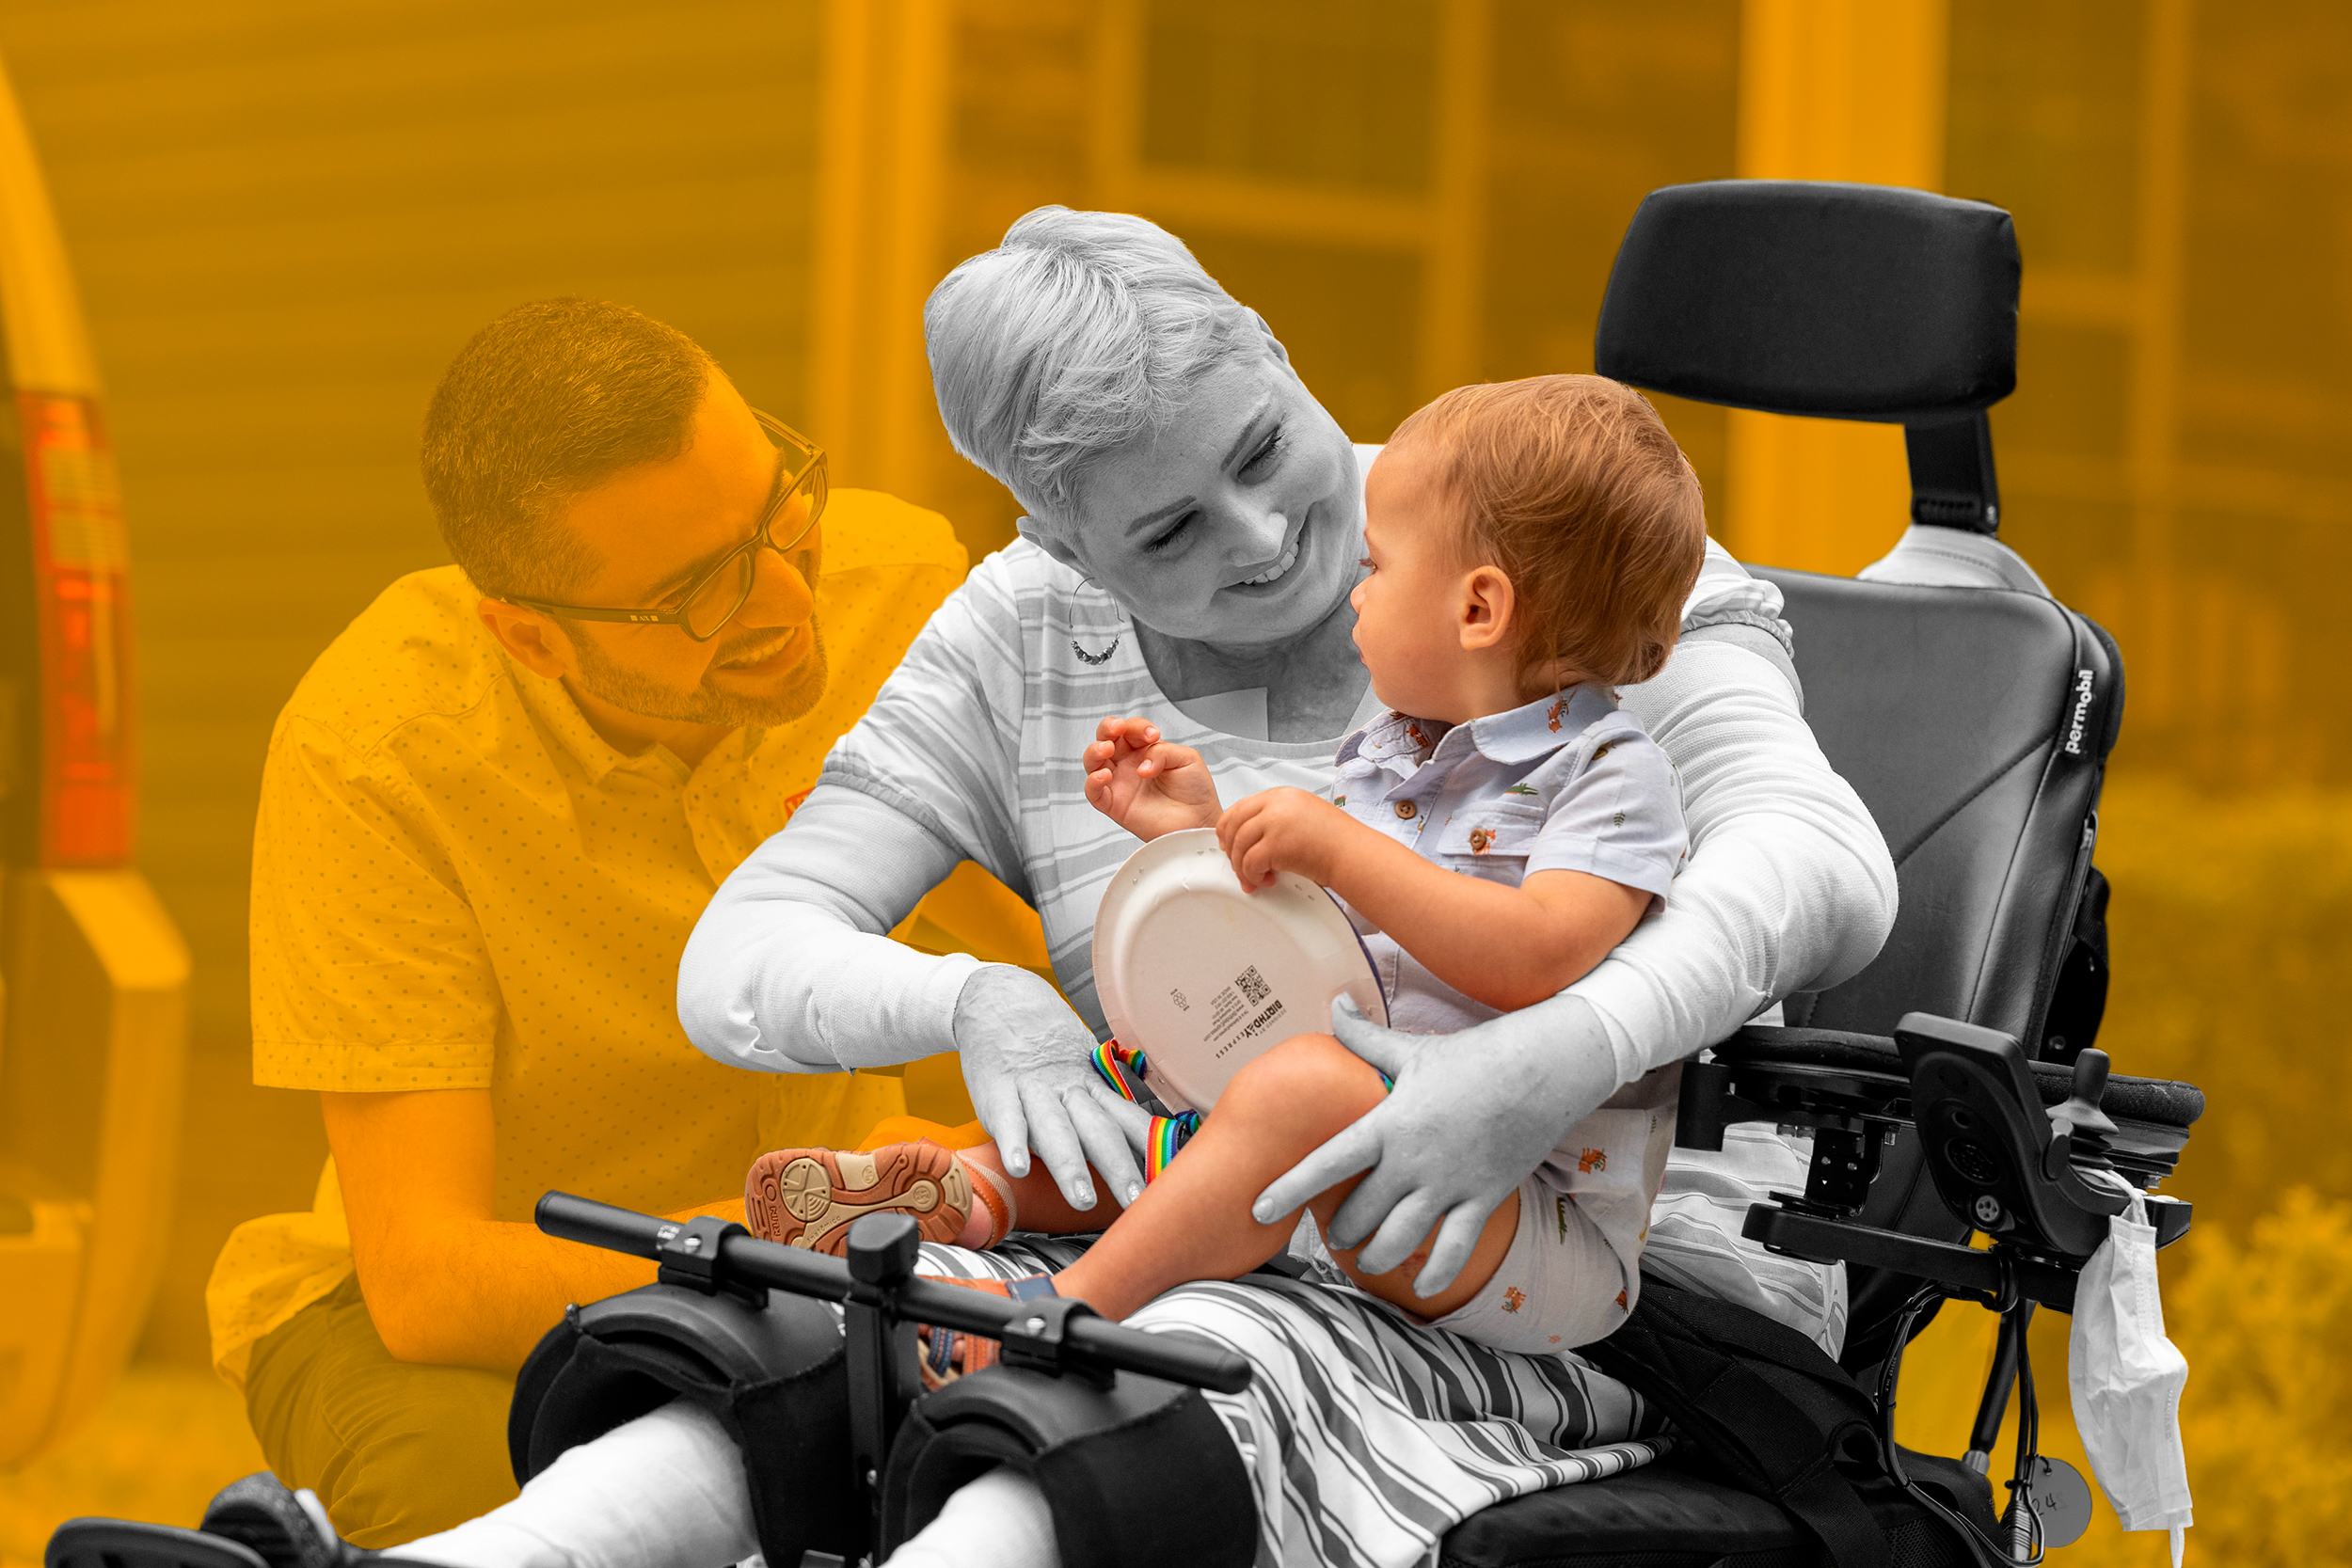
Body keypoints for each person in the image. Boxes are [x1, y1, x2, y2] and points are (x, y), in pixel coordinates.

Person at [177, 209, 1892, 1568]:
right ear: (1056, 543)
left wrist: (1548, 1060)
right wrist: (978, 1001)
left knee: (1114, 1364)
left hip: (1566, 1246)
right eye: (1164, 534)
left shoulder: (1542, 547)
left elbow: (1822, 862)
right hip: (1246, 1213)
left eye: (1265, 447)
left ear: (1286, 355)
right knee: (863, 1329)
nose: (1265, 540)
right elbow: (745, 956)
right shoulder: (1015, 637)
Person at [199, 298, 1022, 1546]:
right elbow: (424, 1276)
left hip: (841, 1231)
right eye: (701, 589)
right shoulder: (380, 747)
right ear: (530, 634)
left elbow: (1097, 991)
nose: (790, 599)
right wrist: (788, 1265)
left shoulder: (900, 589)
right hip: (467, 1312)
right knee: (488, 1496)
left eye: (778, 512)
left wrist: (957, 879)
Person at [744, 373, 1704, 1369]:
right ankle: (958, 1191)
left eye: (1375, 566)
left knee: (1295, 1092)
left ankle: (1065, 1306)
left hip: (1508, 1218)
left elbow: (1535, 956)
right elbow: (1329, 941)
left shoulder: (1609, 774)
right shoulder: (1397, 748)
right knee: (1147, 1079)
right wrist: (1199, 835)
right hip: (1343, 1145)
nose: (1354, 591)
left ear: (1476, 607)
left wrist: (1339, 847)